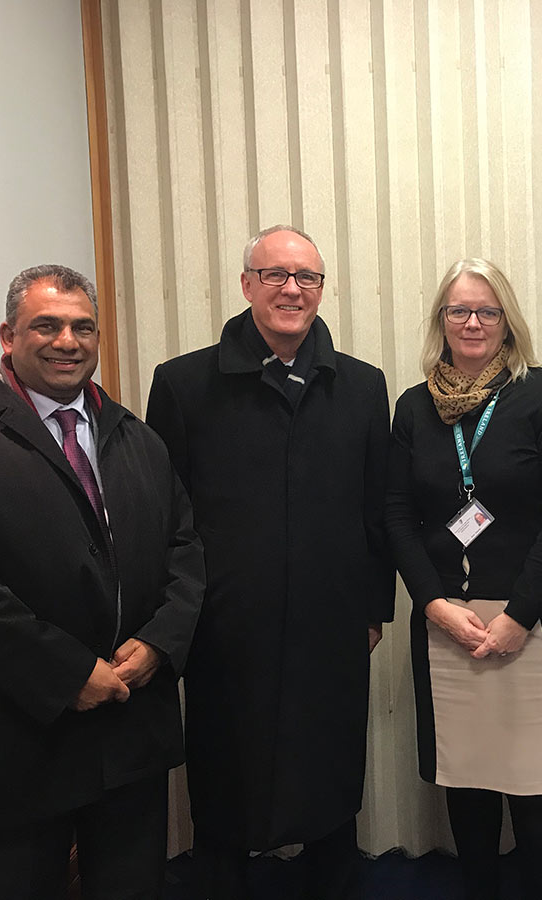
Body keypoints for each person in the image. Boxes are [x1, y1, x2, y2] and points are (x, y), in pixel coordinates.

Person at [0, 264, 205, 900]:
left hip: (130, 730)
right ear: (9, 336)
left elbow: (186, 551)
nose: (68, 340)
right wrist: (67, 674)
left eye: (82, 327)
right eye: (48, 325)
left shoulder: (139, 440)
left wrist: (159, 644)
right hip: (21, 741)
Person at [145, 225, 394, 899]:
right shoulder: (183, 384)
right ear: (247, 283)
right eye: (276, 274)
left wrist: (375, 610)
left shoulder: (364, 387)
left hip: (331, 625)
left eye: (306, 277)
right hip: (226, 628)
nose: (292, 289)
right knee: (225, 782)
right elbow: (164, 517)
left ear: (322, 288)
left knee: (330, 782)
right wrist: (178, 619)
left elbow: (379, 511)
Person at [385, 258, 542, 900]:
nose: (472, 322)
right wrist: (433, 604)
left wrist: (518, 616)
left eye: (487, 311)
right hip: (451, 623)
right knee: (467, 777)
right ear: (440, 322)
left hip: (536, 624)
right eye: (459, 311)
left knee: (537, 785)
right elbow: (395, 516)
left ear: (507, 322)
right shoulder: (415, 407)